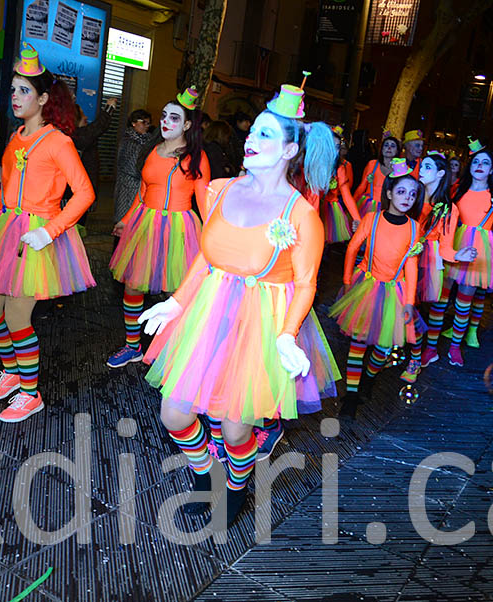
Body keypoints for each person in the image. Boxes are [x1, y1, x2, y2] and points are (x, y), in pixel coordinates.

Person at [139, 79, 339, 525]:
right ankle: (206, 475)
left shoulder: (302, 215)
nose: (252, 138)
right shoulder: (220, 191)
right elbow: (206, 260)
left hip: (263, 323)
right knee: (174, 412)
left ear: (290, 151)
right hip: (210, 312)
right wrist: (175, 303)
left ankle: (235, 487)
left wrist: (288, 336)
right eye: (253, 131)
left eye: (266, 133)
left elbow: (306, 283)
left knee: (235, 425)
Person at [0, 44, 95, 422]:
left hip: (38, 233)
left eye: (24, 90)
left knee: (18, 316)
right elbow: (8, 191)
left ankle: (31, 394)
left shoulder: (59, 142)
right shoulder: (16, 138)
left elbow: (84, 193)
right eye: (13, 89)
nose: (15, 96)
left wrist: (50, 231)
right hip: (6, 229)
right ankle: (13, 371)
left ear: (44, 98)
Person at [107, 87, 209, 368]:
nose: (165, 121)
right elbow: (142, 192)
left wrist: (217, 237)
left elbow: (205, 201)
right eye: (164, 116)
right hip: (145, 224)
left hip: (179, 228)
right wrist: (126, 219)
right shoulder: (152, 150)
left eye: (174, 118)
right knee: (132, 287)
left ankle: (176, 352)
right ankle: (132, 346)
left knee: (176, 294)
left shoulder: (195, 158)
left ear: (187, 124)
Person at [330, 159, 424, 408]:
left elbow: (411, 266)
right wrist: (348, 281)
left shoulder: (414, 228)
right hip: (366, 286)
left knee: (383, 347)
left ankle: (369, 379)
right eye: (402, 191)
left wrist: (409, 302)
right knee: (358, 342)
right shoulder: (371, 218)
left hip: (395, 291)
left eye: (413, 194)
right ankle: (350, 395)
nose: (407, 198)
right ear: (390, 192)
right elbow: (352, 249)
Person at [440, 139, 493, 366]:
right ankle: (430, 345)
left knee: (464, 302)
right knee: (440, 298)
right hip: (453, 244)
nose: (479, 165)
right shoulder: (458, 189)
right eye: (475, 161)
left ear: (491, 169)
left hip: (478, 250)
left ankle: (455, 347)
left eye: (484, 162)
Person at [417, 151, 476, 369]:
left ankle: (427, 350)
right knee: (402, 303)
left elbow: (445, 247)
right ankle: (399, 347)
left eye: (428, 167)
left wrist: (457, 256)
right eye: (421, 166)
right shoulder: (412, 193)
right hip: (405, 256)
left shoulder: (450, 209)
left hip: (429, 259)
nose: (421, 170)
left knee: (428, 306)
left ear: (441, 173)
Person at [318, 124, 360, 242]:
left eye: (337, 147)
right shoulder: (311, 164)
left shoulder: (340, 169)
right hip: (311, 207)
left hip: (329, 208)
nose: (333, 150)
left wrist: (357, 219)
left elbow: (346, 195)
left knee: (323, 240)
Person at [113, 108, 152, 223]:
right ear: (133, 123)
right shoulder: (129, 141)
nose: (146, 126)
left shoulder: (146, 140)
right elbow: (133, 167)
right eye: (143, 122)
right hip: (128, 187)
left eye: (148, 123)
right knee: (125, 221)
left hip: (139, 187)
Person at [72, 97, 117, 197]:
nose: (86, 117)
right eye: (82, 114)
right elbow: (98, 127)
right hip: (77, 194)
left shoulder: (77, 136)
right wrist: (109, 108)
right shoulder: (77, 137)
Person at [353, 133, 400, 218]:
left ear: (397, 151)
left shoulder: (400, 168)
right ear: (381, 149)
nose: (389, 148)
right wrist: (353, 203)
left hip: (389, 208)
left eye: (393, 146)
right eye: (386, 145)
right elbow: (362, 186)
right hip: (369, 206)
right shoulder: (372, 164)